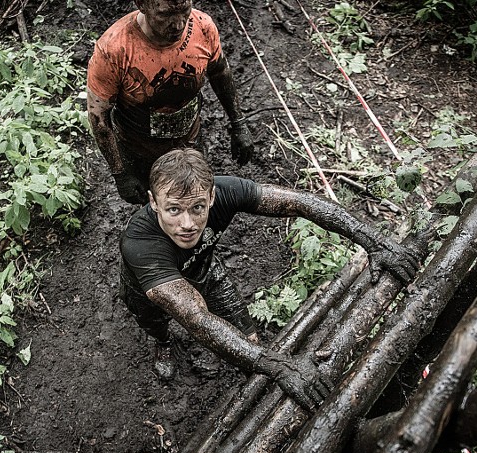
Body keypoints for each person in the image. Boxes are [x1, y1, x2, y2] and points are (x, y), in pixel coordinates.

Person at [119, 149, 420, 410]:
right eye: (174, 210)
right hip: (151, 290)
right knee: (155, 323)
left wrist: (374, 241)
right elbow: (196, 318)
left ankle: (255, 370)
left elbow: (299, 203)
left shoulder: (224, 191)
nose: (187, 224)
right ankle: (162, 342)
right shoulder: (140, 243)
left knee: (247, 336)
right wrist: (280, 367)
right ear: (154, 202)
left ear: (211, 196)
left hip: (206, 270)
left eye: (197, 208)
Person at [87, 0, 254, 205]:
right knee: (155, 207)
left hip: (190, 140)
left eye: (184, 11)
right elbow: (99, 117)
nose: (178, 24)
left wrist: (239, 124)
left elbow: (220, 72)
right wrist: (120, 173)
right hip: (139, 150)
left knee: (192, 198)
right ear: (142, 5)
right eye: (165, 15)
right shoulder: (114, 49)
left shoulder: (202, 27)